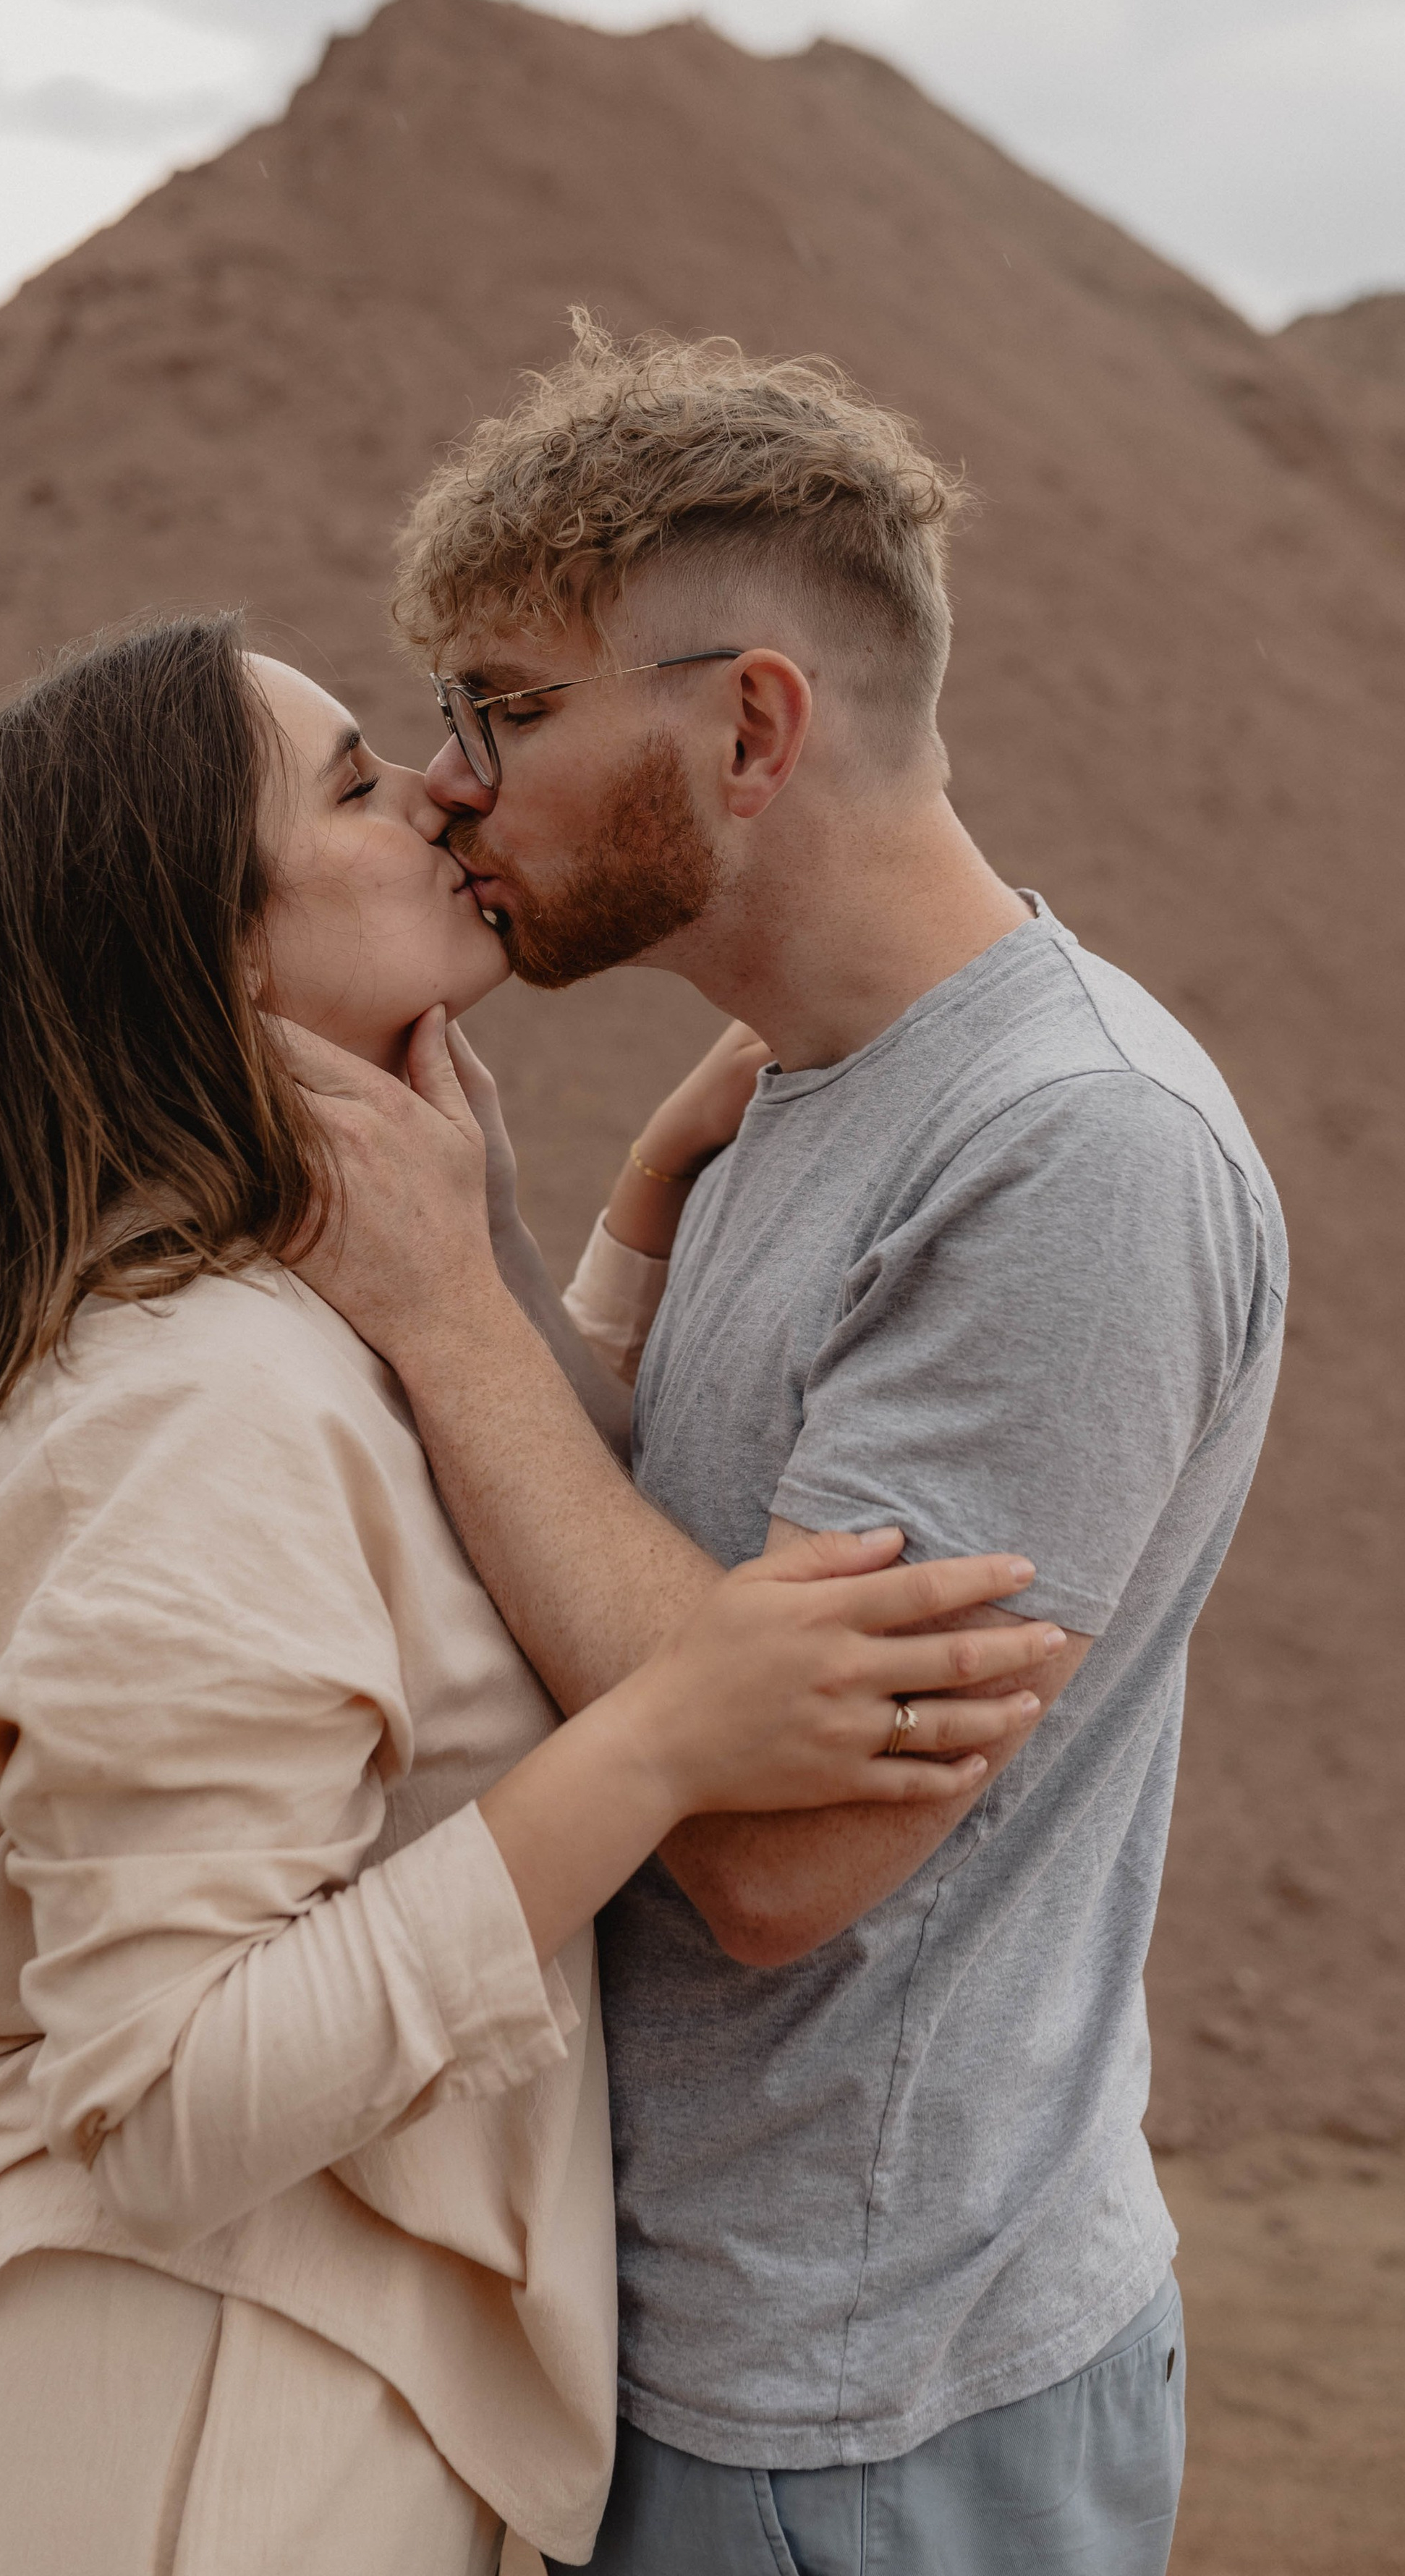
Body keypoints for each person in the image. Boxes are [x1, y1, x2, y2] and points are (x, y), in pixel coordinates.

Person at [0, 614, 1059, 2576]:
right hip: (151, 2451)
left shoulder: (295, 1318)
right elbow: (175, 2098)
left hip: (254, 2391)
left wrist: (592, 1251)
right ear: (216, 951)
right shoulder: (187, 1412)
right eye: (357, 785)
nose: (447, 787)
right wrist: (664, 1742)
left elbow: (429, 1557)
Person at [283, 321, 1288, 2576]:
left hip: (852, 2411)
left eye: (510, 711)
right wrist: (584, 1244)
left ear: (750, 726)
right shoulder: (799, 1091)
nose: (450, 784)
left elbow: (780, 1856)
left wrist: (450, 1297)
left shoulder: (1071, 1158)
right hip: (707, 2349)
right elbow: (657, 1565)